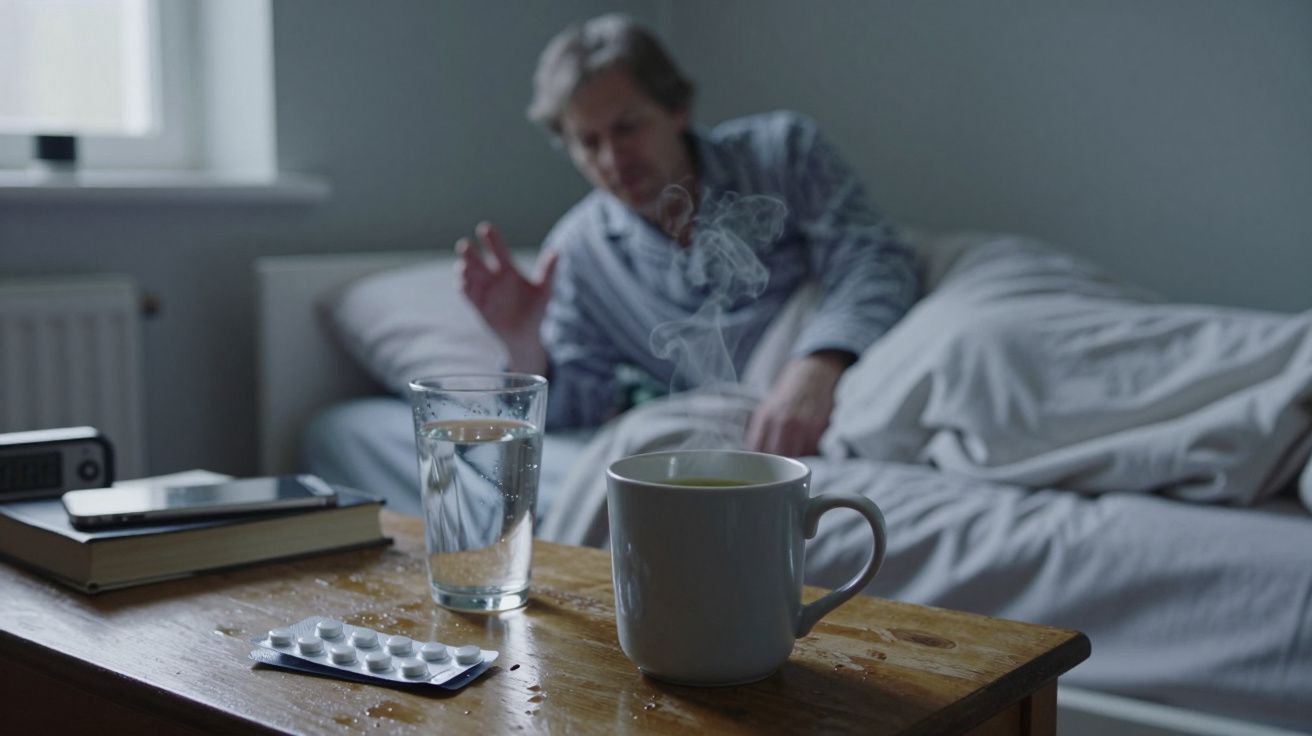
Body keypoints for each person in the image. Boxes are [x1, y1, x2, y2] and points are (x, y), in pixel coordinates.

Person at [456, 14, 919, 457]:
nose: (613, 161)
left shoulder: (783, 154)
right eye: (589, 142)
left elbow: (874, 262)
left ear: (677, 109)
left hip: (848, 369)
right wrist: (523, 346)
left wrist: (819, 365)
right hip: (737, 418)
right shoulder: (580, 253)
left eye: (628, 127)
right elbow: (579, 410)